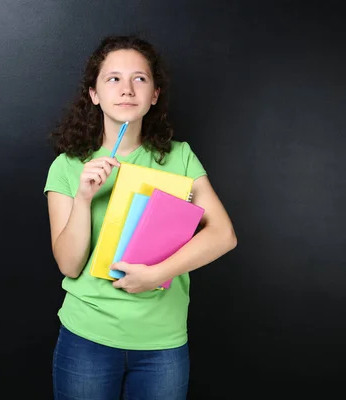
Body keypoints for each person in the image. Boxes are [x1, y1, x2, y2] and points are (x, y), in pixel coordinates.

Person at [43, 35, 237, 400]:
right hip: (87, 338)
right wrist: (84, 197)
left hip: (161, 342)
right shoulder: (68, 166)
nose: (127, 89)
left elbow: (223, 234)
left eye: (140, 79)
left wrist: (157, 275)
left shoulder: (179, 158)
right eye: (113, 78)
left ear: (154, 95)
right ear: (94, 94)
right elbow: (69, 265)